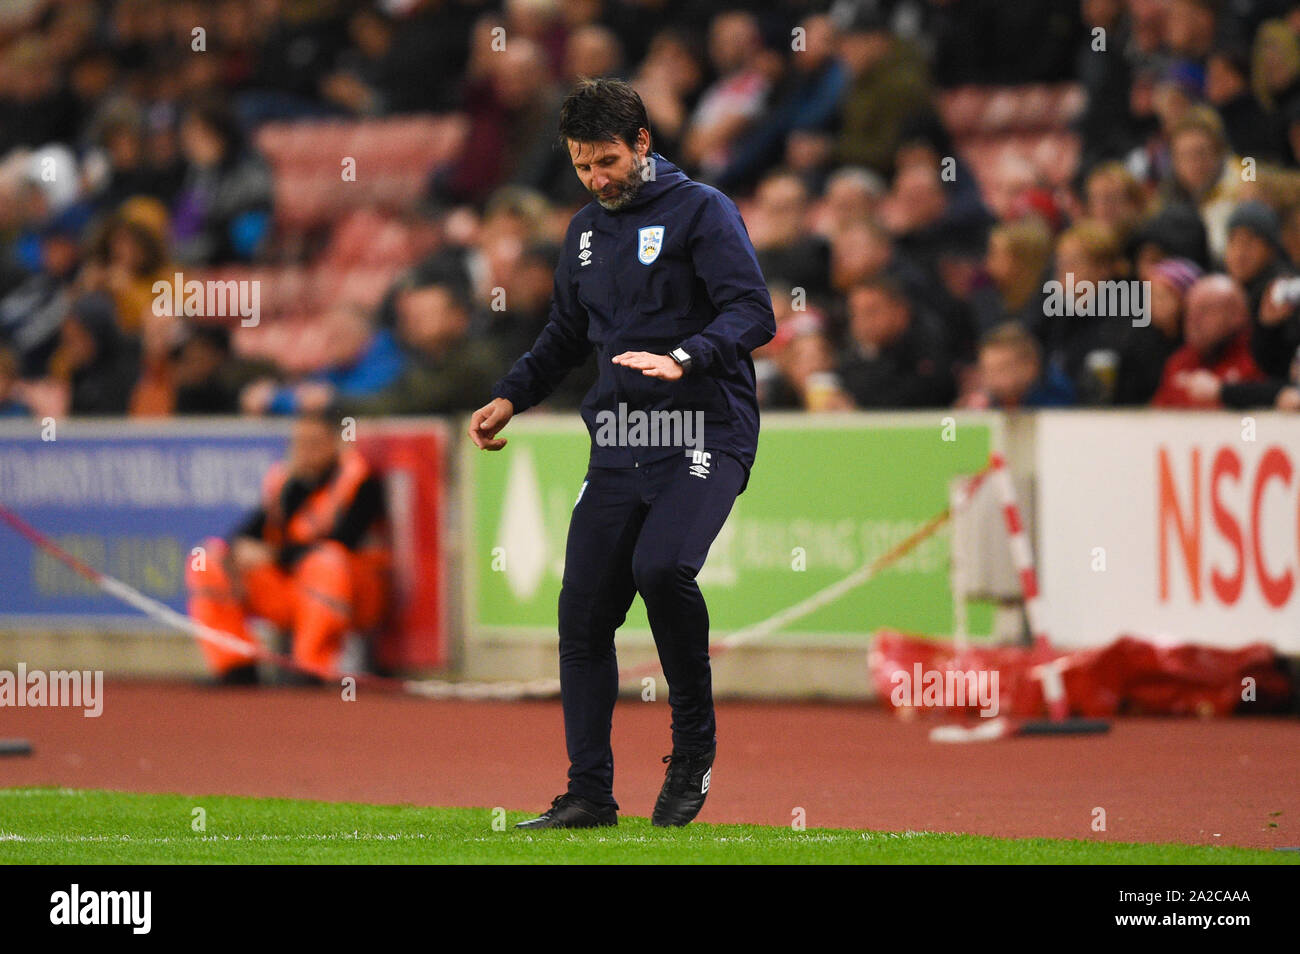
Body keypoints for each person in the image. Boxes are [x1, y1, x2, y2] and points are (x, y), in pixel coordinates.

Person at [468, 79, 774, 829]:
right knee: (583, 614)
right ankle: (588, 794)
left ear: (643, 142)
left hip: (705, 427)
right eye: (582, 167)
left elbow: (754, 312)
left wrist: (687, 357)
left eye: (607, 161)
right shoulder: (581, 232)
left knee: (661, 567)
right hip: (622, 441)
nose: (598, 179)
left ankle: (694, 749)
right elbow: (566, 338)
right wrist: (511, 394)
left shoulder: (703, 210)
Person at [186, 407, 390, 685]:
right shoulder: (285, 483)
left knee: (325, 561)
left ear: (337, 443)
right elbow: (244, 536)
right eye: (300, 443)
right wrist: (237, 555)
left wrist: (272, 554)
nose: (306, 451)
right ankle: (236, 667)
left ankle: (311, 669)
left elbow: (343, 543)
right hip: (293, 591)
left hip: (352, 595)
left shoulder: (360, 481)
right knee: (209, 559)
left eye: (315, 443)